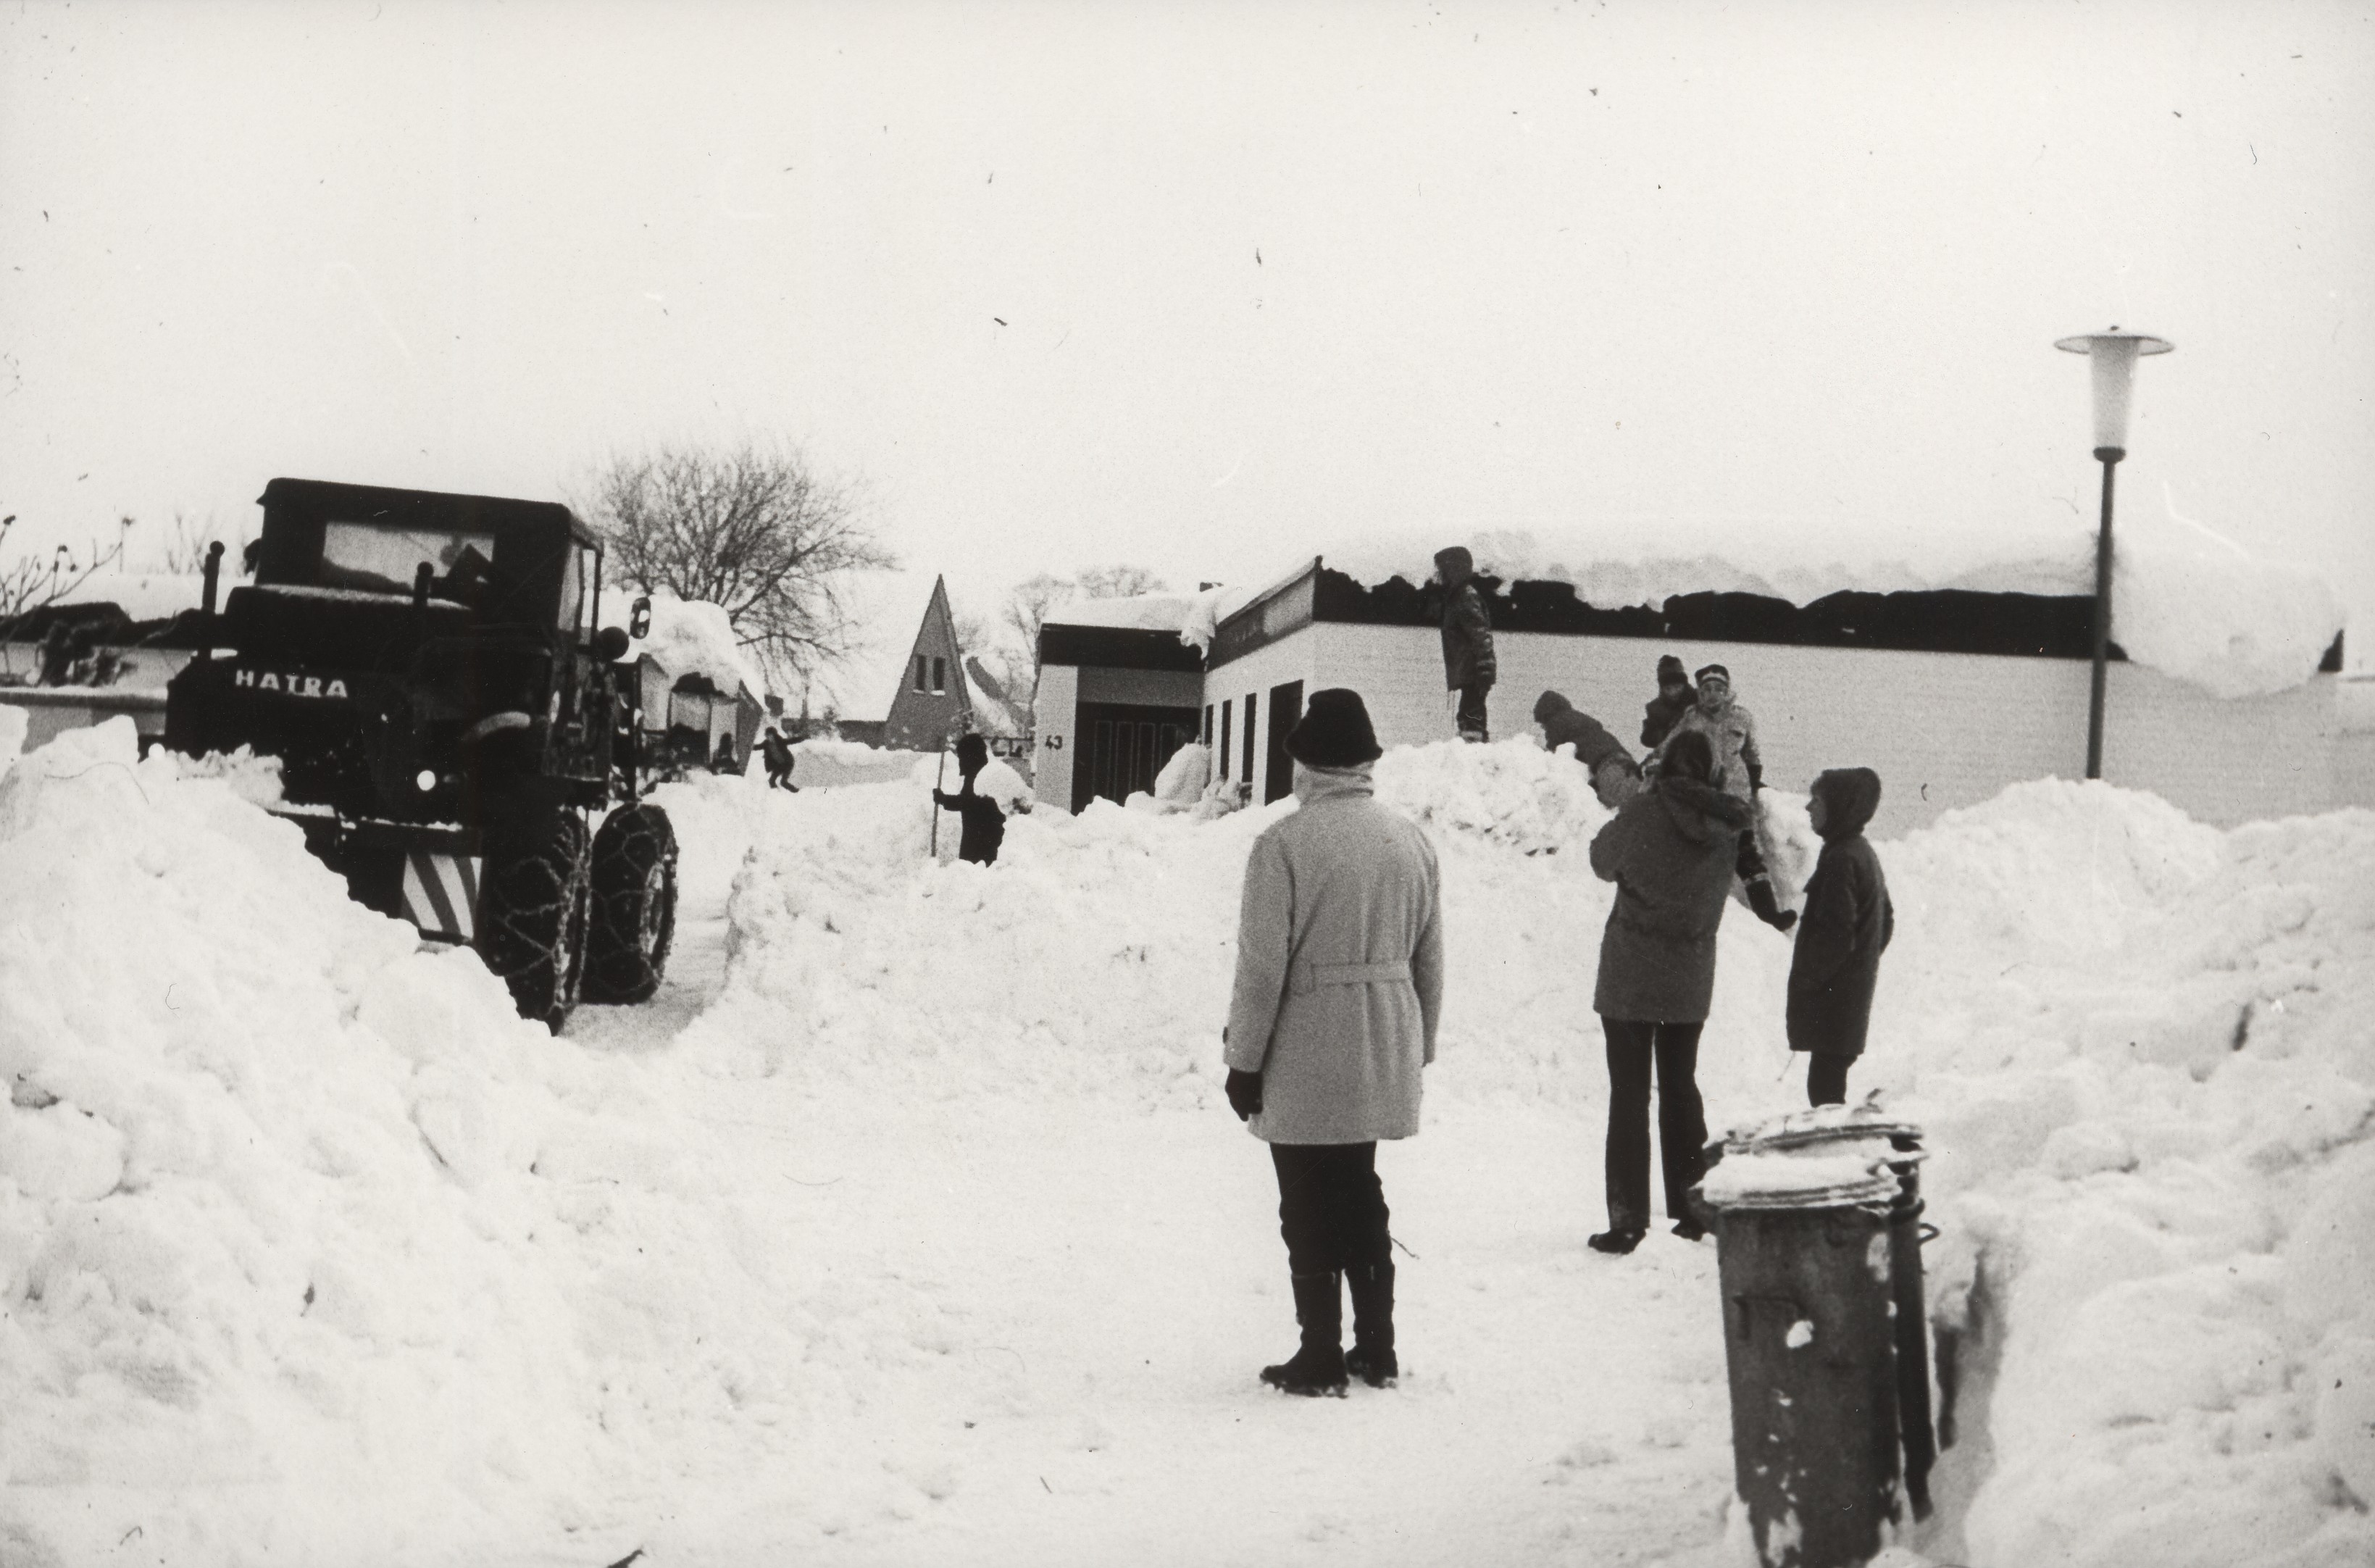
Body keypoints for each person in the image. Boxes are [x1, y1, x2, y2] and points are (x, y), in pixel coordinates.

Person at [1224, 689, 1443, 1396]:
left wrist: (1243, 1062)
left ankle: (1319, 1352)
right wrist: (1418, 1045)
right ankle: (1376, 1348)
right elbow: (1430, 958)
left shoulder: (1283, 844)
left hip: (1306, 1047)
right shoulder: (1409, 840)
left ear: (1307, 765)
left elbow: (1262, 968)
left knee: (1305, 1200)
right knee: (1359, 1190)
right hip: (1384, 1037)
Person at [1586, 729, 1752, 1254]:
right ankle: (1693, 1209)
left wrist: (1641, 800)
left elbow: (1601, 861)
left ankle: (1628, 1221)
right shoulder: (1726, 826)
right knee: (1681, 1088)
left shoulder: (1645, 812)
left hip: (1631, 975)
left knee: (1629, 1095)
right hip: (1689, 976)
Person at [1656, 664, 1796, 933]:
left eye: (1719, 689)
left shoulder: (1742, 718)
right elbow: (1669, 748)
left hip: (1736, 795)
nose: (1713, 694)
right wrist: (1653, 764)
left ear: (1727, 691)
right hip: (1705, 796)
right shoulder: (1691, 718)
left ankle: (1769, 916)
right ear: (1699, 693)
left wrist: (1752, 785)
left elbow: (1752, 754)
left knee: (1747, 854)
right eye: (1707, 689)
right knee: (1704, 847)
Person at [1788, 769, 1894, 1106]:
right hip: (1847, 1002)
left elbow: (1836, 935)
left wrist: (1811, 979)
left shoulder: (1842, 857)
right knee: (1829, 1085)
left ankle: (1844, 1140)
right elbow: (1886, 922)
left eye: (1817, 800)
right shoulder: (1860, 851)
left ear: (1837, 806)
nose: (1808, 807)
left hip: (1833, 1004)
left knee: (1824, 1092)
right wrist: (1860, 965)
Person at [1532, 690, 1642, 811]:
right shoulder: (1582, 720)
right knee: (1641, 800)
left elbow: (1554, 756)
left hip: (1608, 767)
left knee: (1623, 809)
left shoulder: (1557, 722)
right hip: (1624, 760)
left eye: (1542, 725)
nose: (1543, 728)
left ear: (1546, 715)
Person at [932, 733, 1030, 864]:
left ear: (970, 756)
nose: (960, 762)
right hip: (979, 841)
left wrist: (944, 800)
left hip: (981, 845)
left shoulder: (982, 777)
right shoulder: (979, 774)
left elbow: (969, 803)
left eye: (962, 757)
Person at [1434, 546, 1496, 743]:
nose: (1438, 573)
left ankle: (1473, 751)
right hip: (1470, 672)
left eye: (1441, 569)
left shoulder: (1465, 596)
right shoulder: (1457, 596)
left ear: (1453, 569)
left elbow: (1480, 635)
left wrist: (1484, 669)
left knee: (1471, 719)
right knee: (1469, 715)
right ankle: (1473, 748)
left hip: (1474, 673)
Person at [1639, 656, 1695, 751]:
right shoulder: (1656, 709)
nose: (1673, 692)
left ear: (1684, 685)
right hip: (1671, 752)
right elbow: (1647, 738)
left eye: (1677, 687)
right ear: (1662, 689)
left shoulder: (1697, 699)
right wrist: (1667, 733)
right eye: (1668, 689)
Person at [761, 725, 797, 791]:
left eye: (770, 736)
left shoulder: (780, 741)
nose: (769, 738)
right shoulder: (766, 744)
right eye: (767, 736)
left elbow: (791, 741)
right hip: (780, 765)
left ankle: (796, 792)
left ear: (774, 736)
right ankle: (776, 793)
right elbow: (758, 747)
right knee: (771, 781)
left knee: (783, 782)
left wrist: (802, 738)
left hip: (788, 764)